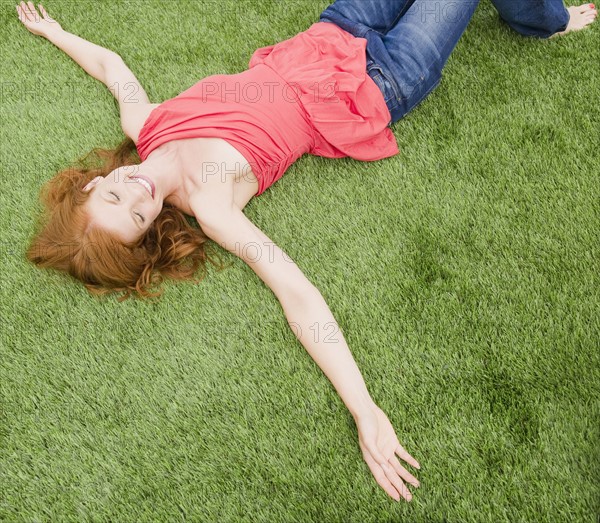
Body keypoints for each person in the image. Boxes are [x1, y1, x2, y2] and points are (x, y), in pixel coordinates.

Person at [16, 0, 596, 503]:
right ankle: (541, 19)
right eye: (138, 215)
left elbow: (112, 68)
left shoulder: (146, 126)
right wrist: (365, 410)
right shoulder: (211, 202)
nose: (138, 191)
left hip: (333, 33)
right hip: (379, 81)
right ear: (148, 231)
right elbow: (299, 299)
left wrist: (54, 33)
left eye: (118, 192)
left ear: (96, 182)